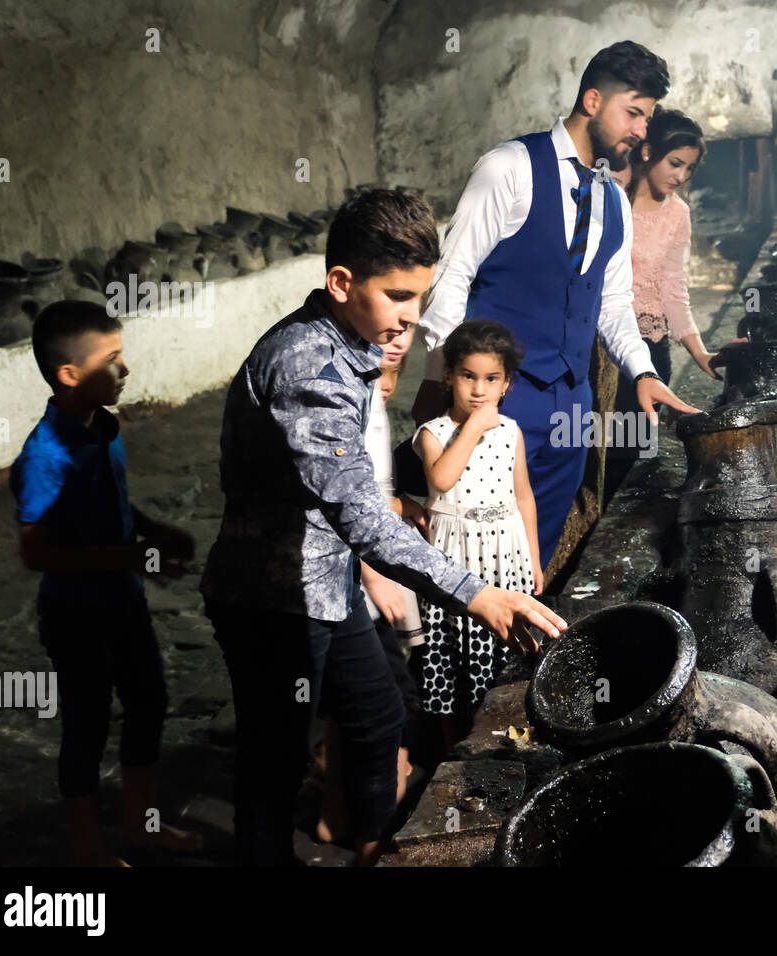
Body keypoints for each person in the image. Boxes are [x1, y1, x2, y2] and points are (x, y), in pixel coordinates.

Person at [199, 188, 565, 867]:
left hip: (324, 583)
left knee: (376, 715)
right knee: (273, 768)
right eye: (397, 295)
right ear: (341, 283)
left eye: (419, 296)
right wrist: (479, 594)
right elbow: (361, 514)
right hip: (270, 600)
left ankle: (371, 847)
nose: (411, 316)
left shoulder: (348, 347)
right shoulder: (307, 367)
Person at [411, 40, 700, 572]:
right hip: (497, 402)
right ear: (592, 100)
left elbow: (612, 304)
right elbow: (449, 283)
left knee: (532, 558)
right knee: (470, 560)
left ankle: (522, 654)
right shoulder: (508, 169)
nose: (641, 131)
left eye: (648, 117)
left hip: (573, 409)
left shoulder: (615, 201)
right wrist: (454, 393)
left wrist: (641, 370)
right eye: (633, 113)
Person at [10, 300, 204, 866]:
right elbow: (36, 550)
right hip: (76, 616)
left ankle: (141, 826)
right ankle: (90, 849)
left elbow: (112, 504)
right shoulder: (46, 456)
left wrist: (151, 529)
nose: (126, 370)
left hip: (124, 601)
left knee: (148, 704)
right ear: (69, 374)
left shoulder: (103, 426)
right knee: (87, 725)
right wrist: (131, 553)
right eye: (112, 359)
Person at [315, 344, 425, 844]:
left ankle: (337, 811)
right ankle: (380, 810)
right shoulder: (342, 407)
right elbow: (342, 500)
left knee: (351, 703)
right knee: (388, 697)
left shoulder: (373, 410)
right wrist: (373, 571)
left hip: (361, 576)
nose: (380, 383)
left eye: (388, 376)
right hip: (353, 581)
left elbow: (376, 493)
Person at [413, 320, 541, 746]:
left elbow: (523, 497)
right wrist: (472, 427)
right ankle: (453, 749)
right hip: (456, 561)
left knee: (507, 656)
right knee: (452, 657)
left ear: (507, 383)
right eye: (468, 376)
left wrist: (535, 560)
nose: (479, 390)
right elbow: (443, 479)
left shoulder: (511, 432)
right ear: (448, 375)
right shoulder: (433, 434)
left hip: (508, 558)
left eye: (491, 379)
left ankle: (507, 736)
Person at [605, 107, 723, 501]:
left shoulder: (678, 215)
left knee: (634, 455)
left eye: (689, 169)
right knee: (588, 449)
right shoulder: (608, 198)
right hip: (601, 351)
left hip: (650, 353)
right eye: (675, 163)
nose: (681, 176)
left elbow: (674, 289)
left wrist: (700, 351)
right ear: (647, 152)